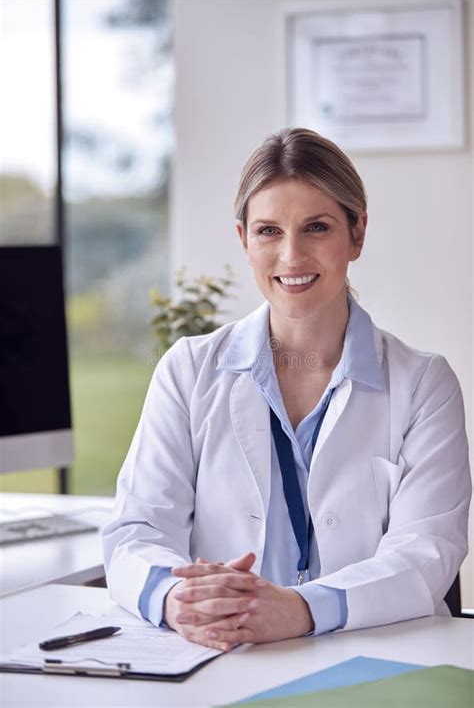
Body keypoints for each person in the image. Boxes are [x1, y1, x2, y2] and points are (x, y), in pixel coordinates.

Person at [102, 128, 471, 653]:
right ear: (243, 240)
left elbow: (426, 554)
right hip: (222, 656)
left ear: (357, 234)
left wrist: (299, 610)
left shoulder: (423, 384)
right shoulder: (187, 371)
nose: (291, 256)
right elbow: (136, 530)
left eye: (316, 227)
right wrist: (175, 598)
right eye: (269, 231)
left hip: (375, 657)